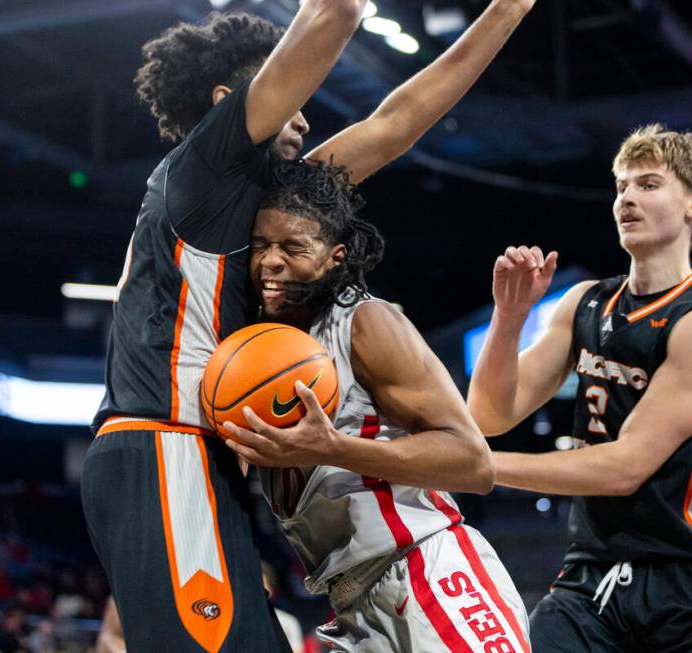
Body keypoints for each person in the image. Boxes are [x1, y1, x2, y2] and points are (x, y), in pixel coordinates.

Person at [81, 0, 537, 647]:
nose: (303, 114)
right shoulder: (203, 169)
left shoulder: (263, 208)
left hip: (193, 454)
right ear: (227, 101)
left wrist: (506, 12)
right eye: (286, 93)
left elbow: (395, 122)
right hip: (165, 442)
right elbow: (338, 11)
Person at [466, 124, 692, 652]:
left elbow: (625, 468)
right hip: (590, 577)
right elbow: (488, 416)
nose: (626, 197)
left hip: (690, 580)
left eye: (648, 184)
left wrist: (484, 468)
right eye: (621, 186)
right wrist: (508, 318)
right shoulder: (583, 303)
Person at [222, 160, 531, 653]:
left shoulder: (366, 322)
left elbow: (474, 464)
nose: (270, 262)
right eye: (261, 246)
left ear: (335, 257)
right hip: (350, 604)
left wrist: (332, 446)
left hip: (426, 569)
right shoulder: (257, 349)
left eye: (292, 247)